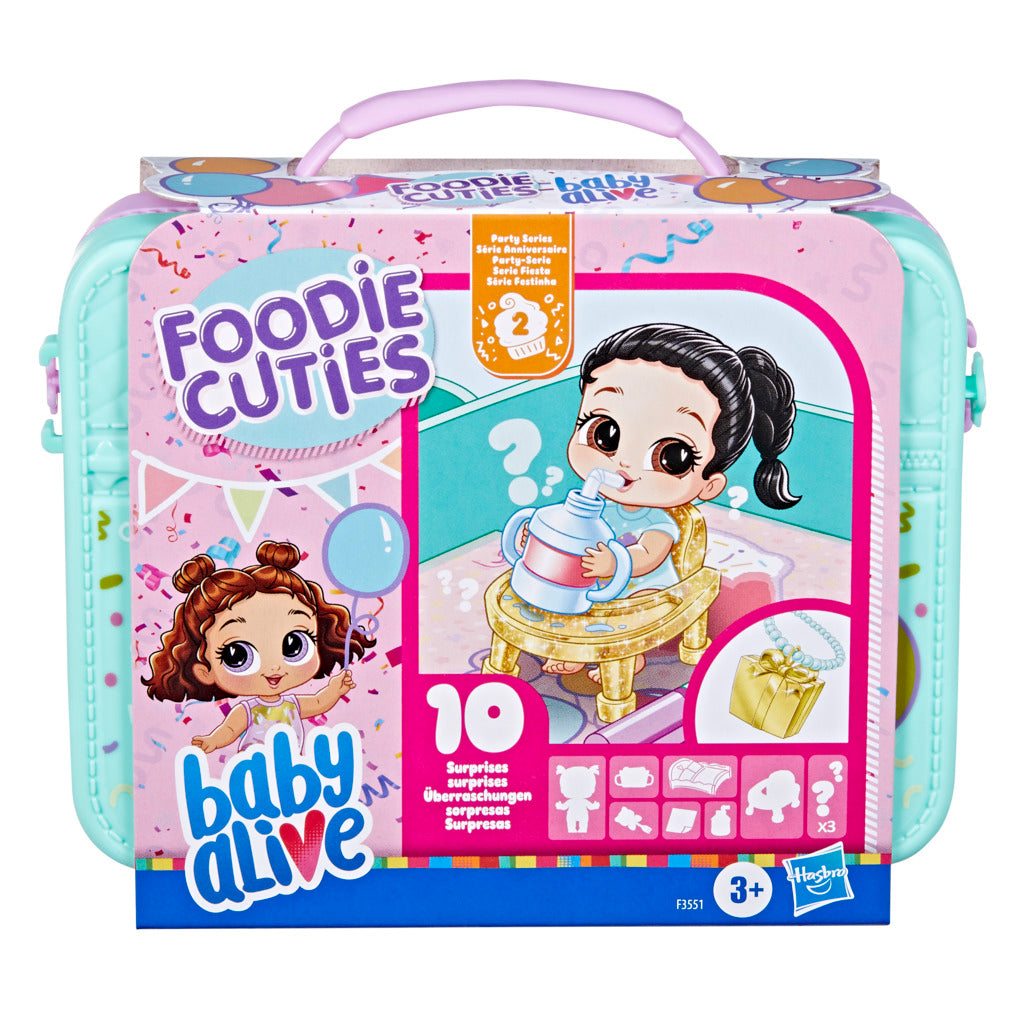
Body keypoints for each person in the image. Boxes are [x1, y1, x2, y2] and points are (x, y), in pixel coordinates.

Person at [542, 322, 799, 680]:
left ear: (709, 485)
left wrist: (615, 562)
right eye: (605, 433)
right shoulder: (595, 504)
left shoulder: (658, 520)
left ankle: (629, 655)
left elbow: (648, 555)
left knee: (628, 610)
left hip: (645, 588)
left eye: (671, 456)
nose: (624, 462)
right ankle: (574, 648)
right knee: (563, 591)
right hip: (597, 577)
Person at [142, 540, 374, 752]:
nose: (274, 667)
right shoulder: (248, 711)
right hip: (252, 769)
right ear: (205, 671)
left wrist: (335, 690)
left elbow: (319, 703)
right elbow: (229, 730)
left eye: (294, 645)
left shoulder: (293, 705)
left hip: (292, 770)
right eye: (238, 655)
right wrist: (213, 741)